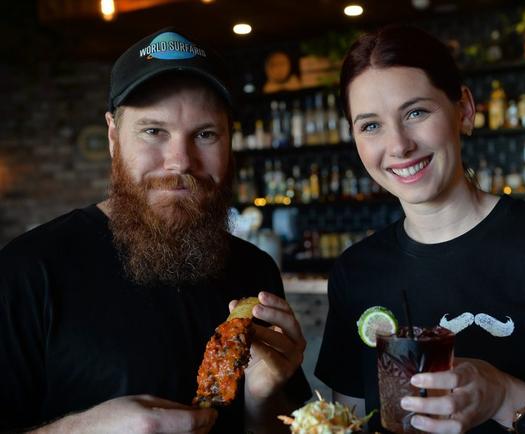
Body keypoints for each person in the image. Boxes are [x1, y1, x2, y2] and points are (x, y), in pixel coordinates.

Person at [315, 24, 525, 434]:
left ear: (465, 110)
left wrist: (505, 396)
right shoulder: (355, 272)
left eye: (416, 112)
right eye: (370, 125)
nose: (398, 145)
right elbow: (346, 424)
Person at [0, 28, 311, 433]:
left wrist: (262, 399)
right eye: (153, 131)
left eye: (205, 134)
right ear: (114, 135)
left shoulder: (256, 271)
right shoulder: (26, 272)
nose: (180, 161)